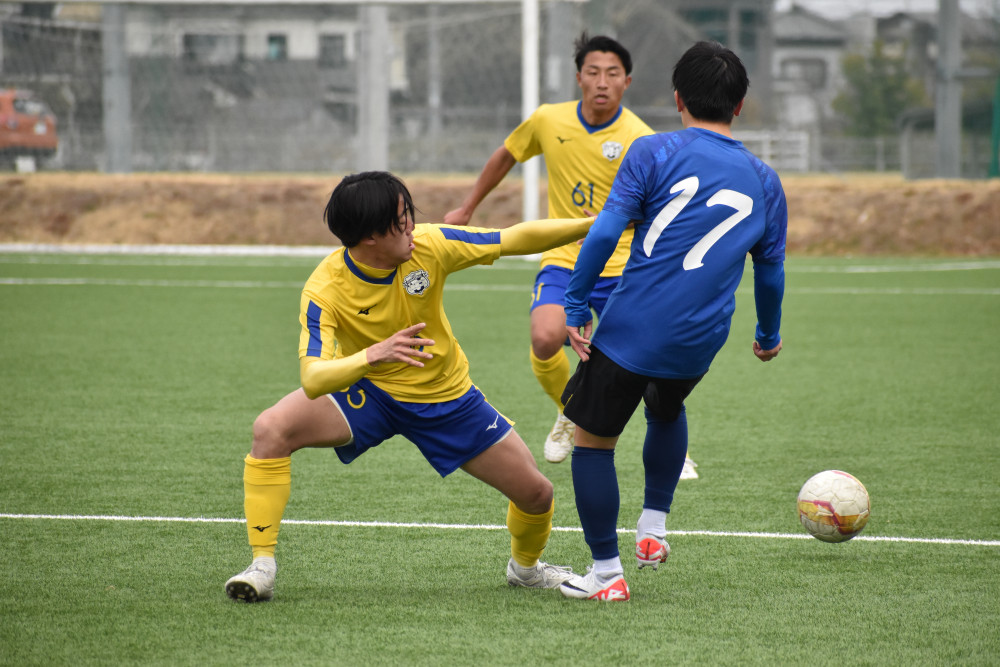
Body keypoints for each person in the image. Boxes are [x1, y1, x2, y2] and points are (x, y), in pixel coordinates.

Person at [225, 171, 595, 602]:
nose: (411, 226)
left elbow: (512, 238)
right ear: (369, 237)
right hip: (370, 392)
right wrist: (374, 355)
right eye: (400, 221)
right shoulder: (325, 289)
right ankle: (262, 565)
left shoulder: (429, 245)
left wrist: (594, 224)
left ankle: (525, 570)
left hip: (447, 399)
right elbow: (313, 378)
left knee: (537, 493)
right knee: (270, 429)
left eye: (408, 214)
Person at [556, 41, 787, 601]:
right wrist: (768, 334)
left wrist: (575, 302)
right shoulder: (765, 179)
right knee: (666, 408)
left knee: (592, 445)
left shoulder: (651, 150)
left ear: (677, 97)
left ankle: (605, 574)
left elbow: (605, 232)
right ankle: (653, 529)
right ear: (739, 105)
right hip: (699, 340)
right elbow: (770, 272)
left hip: (632, 329)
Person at [444, 33, 697, 478]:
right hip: (564, 257)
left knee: (649, 356)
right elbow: (506, 155)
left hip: (624, 264)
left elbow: (659, 205)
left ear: (627, 82)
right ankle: (570, 409)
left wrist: (624, 228)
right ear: (579, 77)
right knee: (545, 337)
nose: (602, 81)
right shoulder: (548, 119)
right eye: (593, 72)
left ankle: (673, 448)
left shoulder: (640, 137)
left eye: (612, 74)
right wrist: (467, 208)